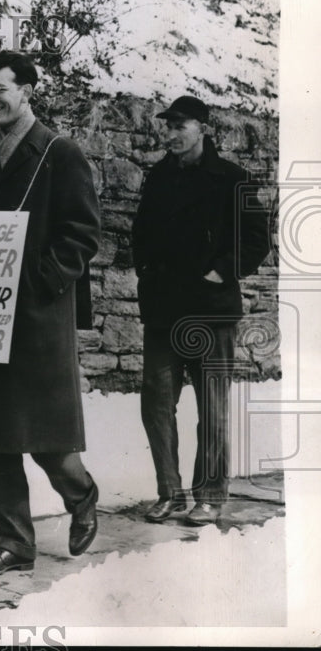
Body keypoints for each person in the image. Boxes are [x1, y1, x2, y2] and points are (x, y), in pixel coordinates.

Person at [0, 51, 101, 575]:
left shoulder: (60, 153)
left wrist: (40, 280)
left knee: (46, 440)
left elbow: (82, 233)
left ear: (27, 92)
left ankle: (81, 496)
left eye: (1, 89)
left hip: (37, 318)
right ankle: (15, 543)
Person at [132, 95, 270, 526]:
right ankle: (170, 493)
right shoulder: (159, 177)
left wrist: (221, 271)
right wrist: (146, 273)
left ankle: (209, 495)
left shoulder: (232, 178)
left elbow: (257, 238)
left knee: (212, 407)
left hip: (210, 311)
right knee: (156, 403)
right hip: (164, 310)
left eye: (181, 126)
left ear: (203, 129)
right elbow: (141, 232)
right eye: (168, 126)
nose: (171, 134)